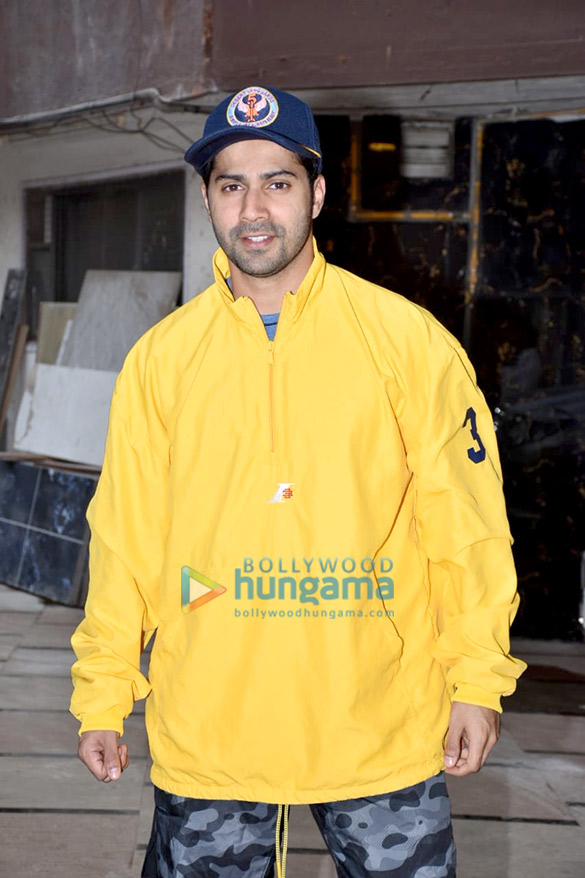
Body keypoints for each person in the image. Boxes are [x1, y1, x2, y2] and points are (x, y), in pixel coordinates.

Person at [70, 85, 526, 878]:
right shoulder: (162, 362)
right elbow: (125, 541)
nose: (253, 208)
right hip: (213, 728)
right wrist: (103, 694)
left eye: (277, 182)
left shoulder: (406, 344)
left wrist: (477, 681)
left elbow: (467, 526)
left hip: (376, 725)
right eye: (230, 183)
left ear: (315, 194)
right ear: (207, 197)